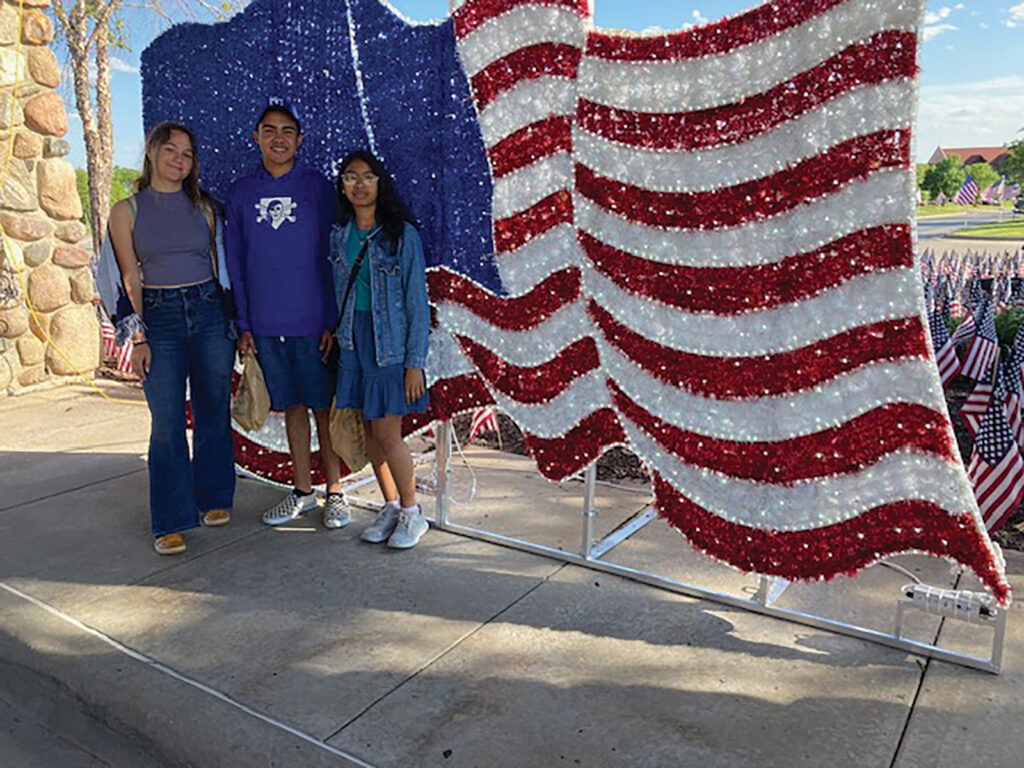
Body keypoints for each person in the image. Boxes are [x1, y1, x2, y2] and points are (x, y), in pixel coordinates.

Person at [108, 122, 236, 555]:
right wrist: (137, 337)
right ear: (152, 152)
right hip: (158, 319)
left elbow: (224, 269)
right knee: (166, 423)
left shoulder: (204, 207)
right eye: (171, 150)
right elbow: (126, 278)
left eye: (187, 153)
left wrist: (233, 321)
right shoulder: (126, 210)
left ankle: (214, 497)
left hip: (207, 312)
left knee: (213, 409)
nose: (179, 159)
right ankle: (170, 518)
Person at [224, 97, 349, 528]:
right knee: (292, 409)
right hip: (265, 325)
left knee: (321, 408)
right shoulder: (240, 193)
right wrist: (244, 324)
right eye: (270, 130)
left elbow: (335, 256)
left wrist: (331, 320)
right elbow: (235, 263)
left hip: (313, 323)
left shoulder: (317, 187)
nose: (278, 139)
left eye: (287, 131)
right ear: (255, 136)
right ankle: (302, 491)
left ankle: (335, 493)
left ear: (299, 139)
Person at [331, 151, 431, 549]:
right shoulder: (339, 234)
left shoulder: (401, 235)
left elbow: (416, 302)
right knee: (371, 431)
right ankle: (390, 504)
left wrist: (414, 363)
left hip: (389, 345)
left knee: (389, 432)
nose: (359, 185)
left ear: (380, 183)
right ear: (342, 185)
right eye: (351, 177)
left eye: (367, 177)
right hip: (353, 341)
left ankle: (412, 512)